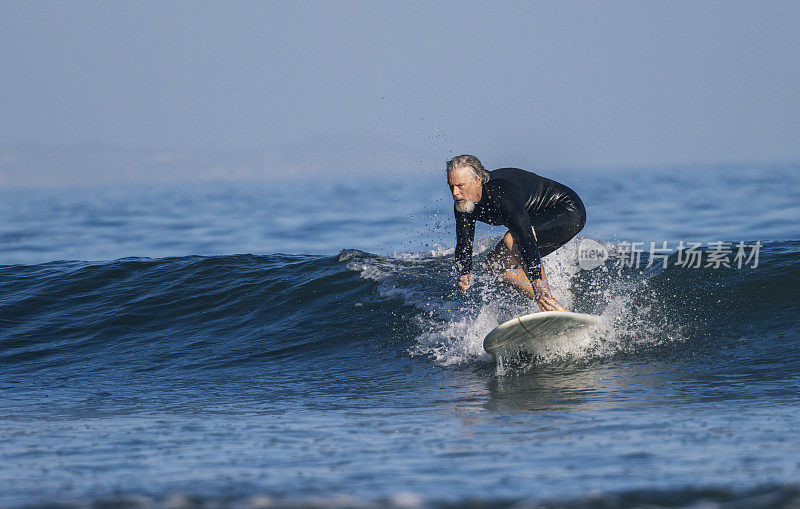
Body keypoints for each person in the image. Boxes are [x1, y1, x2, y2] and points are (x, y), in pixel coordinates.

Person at [447, 154, 586, 312]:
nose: (454, 192)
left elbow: (525, 236)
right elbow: (464, 243)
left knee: (511, 239)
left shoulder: (499, 192)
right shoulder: (463, 202)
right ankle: (551, 306)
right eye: (451, 186)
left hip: (568, 211)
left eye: (460, 185)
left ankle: (546, 297)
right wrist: (465, 271)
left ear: (477, 180)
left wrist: (536, 280)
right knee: (494, 265)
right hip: (536, 222)